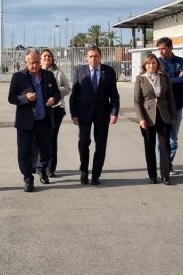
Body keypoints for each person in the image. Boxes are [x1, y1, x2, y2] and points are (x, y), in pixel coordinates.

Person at [8, 50, 61, 192]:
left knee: (46, 150)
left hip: (44, 120)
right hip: (25, 122)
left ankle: (42, 170)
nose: (35, 65)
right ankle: (27, 178)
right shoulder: (18, 77)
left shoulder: (48, 75)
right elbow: (11, 98)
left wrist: (54, 99)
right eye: (32, 63)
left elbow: (56, 92)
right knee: (24, 151)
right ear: (26, 62)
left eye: (37, 62)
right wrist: (25, 98)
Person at [70, 45, 120, 185]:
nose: (93, 59)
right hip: (84, 113)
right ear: (87, 58)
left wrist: (114, 112)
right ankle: (84, 171)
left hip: (103, 114)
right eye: (91, 56)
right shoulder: (80, 71)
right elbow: (74, 95)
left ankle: (96, 174)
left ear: (100, 57)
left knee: (101, 145)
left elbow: (114, 95)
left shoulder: (109, 71)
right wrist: (74, 113)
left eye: (96, 56)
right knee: (83, 142)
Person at [134, 53, 176, 185]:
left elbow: (171, 97)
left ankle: (165, 175)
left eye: (153, 62)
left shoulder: (164, 77)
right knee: (149, 146)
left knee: (165, 146)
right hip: (147, 117)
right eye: (148, 63)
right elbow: (137, 101)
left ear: (157, 63)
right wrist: (140, 119)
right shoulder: (140, 79)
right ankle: (152, 175)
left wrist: (173, 115)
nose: (151, 65)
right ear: (144, 66)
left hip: (164, 115)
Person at [31, 49, 71, 177]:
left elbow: (68, 88)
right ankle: (36, 165)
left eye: (49, 56)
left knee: (51, 138)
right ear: (40, 58)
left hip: (56, 109)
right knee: (36, 138)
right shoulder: (34, 72)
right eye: (44, 56)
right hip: (38, 109)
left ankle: (50, 167)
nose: (47, 58)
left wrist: (54, 90)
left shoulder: (58, 72)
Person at [156, 37, 183, 175]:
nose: (161, 51)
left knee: (173, 139)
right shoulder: (157, 63)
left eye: (163, 48)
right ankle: (163, 164)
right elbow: (157, 81)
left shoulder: (181, 62)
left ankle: (169, 162)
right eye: (159, 49)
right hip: (161, 106)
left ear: (170, 47)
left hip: (177, 105)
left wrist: (167, 80)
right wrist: (176, 79)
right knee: (162, 137)